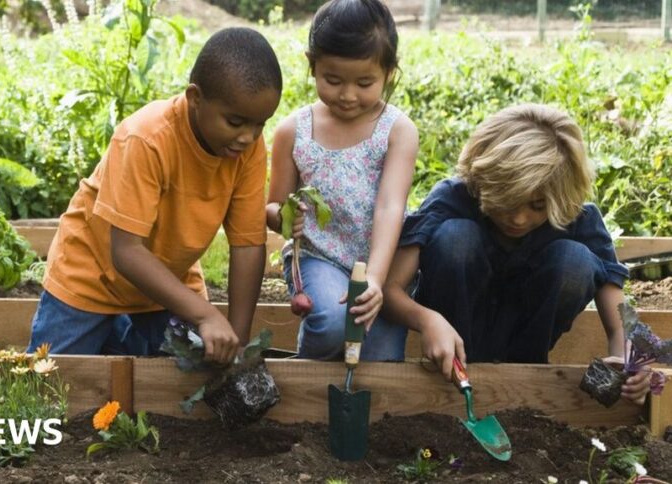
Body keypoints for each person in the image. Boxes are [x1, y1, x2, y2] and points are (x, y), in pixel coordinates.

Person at [27, 27, 282, 363]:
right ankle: (111, 329)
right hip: (92, 275)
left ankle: (116, 334)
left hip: (167, 283)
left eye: (260, 124)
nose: (248, 137)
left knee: (190, 375)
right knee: (51, 383)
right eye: (235, 121)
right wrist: (206, 315)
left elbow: (248, 244)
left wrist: (237, 341)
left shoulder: (245, 148)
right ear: (195, 98)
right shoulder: (147, 139)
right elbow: (126, 252)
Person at [382, 103, 650, 403]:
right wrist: (427, 320)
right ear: (482, 182)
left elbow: (620, 323)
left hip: (528, 348)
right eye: (508, 203)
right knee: (456, 237)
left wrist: (629, 363)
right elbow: (390, 291)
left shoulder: (577, 217)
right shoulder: (454, 198)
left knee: (575, 261)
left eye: (537, 206)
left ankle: (525, 374)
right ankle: (458, 370)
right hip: (452, 352)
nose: (519, 219)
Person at [266, 0, 418, 361]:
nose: (347, 95)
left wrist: (376, 280)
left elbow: (389, 206)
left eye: (365, 82)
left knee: (379, 362)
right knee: (333, 323)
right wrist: (285, 216)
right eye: (332, 80)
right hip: (320, 257)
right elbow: (272, 207)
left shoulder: (396, 131)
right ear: (312, 65)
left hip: (382, 261)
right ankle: (303, 389)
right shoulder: (294, 131)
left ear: (389, 73)